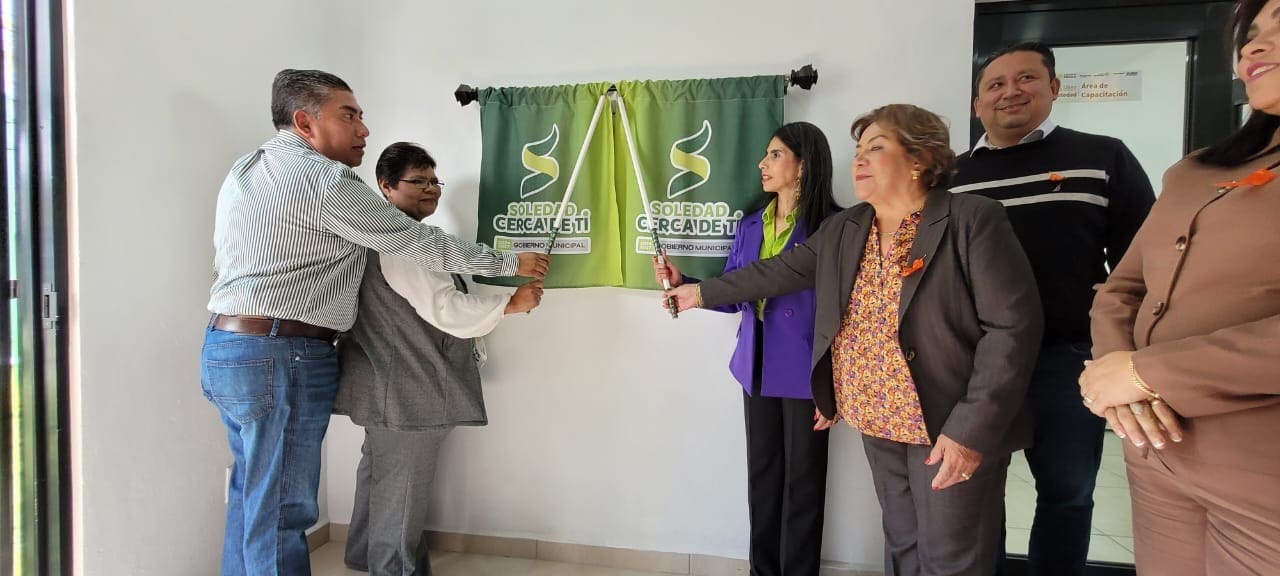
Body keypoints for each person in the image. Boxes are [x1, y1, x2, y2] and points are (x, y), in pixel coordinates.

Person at [666, 104, 1043, 576]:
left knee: (951, 555)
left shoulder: (971, 219)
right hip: (877, 416)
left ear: (920, 159)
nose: (859, 160)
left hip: (946, 421)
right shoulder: (848, 227)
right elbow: (777, 272)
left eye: (876, 148)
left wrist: (969, 430)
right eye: (858, 149)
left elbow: (1012, 329)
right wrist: (699, 292)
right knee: (902, 544)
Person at [200, 69, 548, 576]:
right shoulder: (324, 181)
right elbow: (414, 243)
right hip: (282, 352)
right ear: (305, 122)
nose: (364, 129)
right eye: (349, 116)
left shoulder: (247, 169)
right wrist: (508, 264)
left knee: (252, 496)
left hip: (228, 346)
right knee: (282, 508)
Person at [1082, 0, 1280, 572]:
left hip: (1260, 464)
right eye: (1250, 35)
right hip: (1157, 450)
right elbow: (1122, 288)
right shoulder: (1197, 170)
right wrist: (1116, 372)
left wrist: (1147, 373)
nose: (1254, 46)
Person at [950, 42, 1155, 575]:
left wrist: (1124, 346)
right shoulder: (952, 178)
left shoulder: (1102, 157)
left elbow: (1143, 263)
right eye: (995, 84)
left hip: (1068, 359)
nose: (1010, 92)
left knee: (1068, 492)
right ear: (976, 104)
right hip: (978, 365)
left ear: (1053, 87)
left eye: (1026, 79)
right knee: (975, 491)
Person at [334, 142, 543, 575]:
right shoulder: (403, 245)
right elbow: (444, 308)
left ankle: (363, 556)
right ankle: (391, 568)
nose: (431, 188)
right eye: (418, 181)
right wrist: (511, 303)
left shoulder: (390, 238)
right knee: (402, 486)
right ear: (386, 186)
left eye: (434, 180)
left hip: (385, 384)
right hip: (407, 389)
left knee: (379, 473)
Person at [653, 121, 839, 576]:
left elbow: (846, 313)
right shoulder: (751, 223)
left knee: (803, 485)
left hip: (807, 373)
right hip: (754, 367)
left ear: (804, 165)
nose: (762, 164)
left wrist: (835, 383)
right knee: (763, 478)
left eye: (775, 155)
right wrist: (686, 283)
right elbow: (736, 291)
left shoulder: (834, 226)